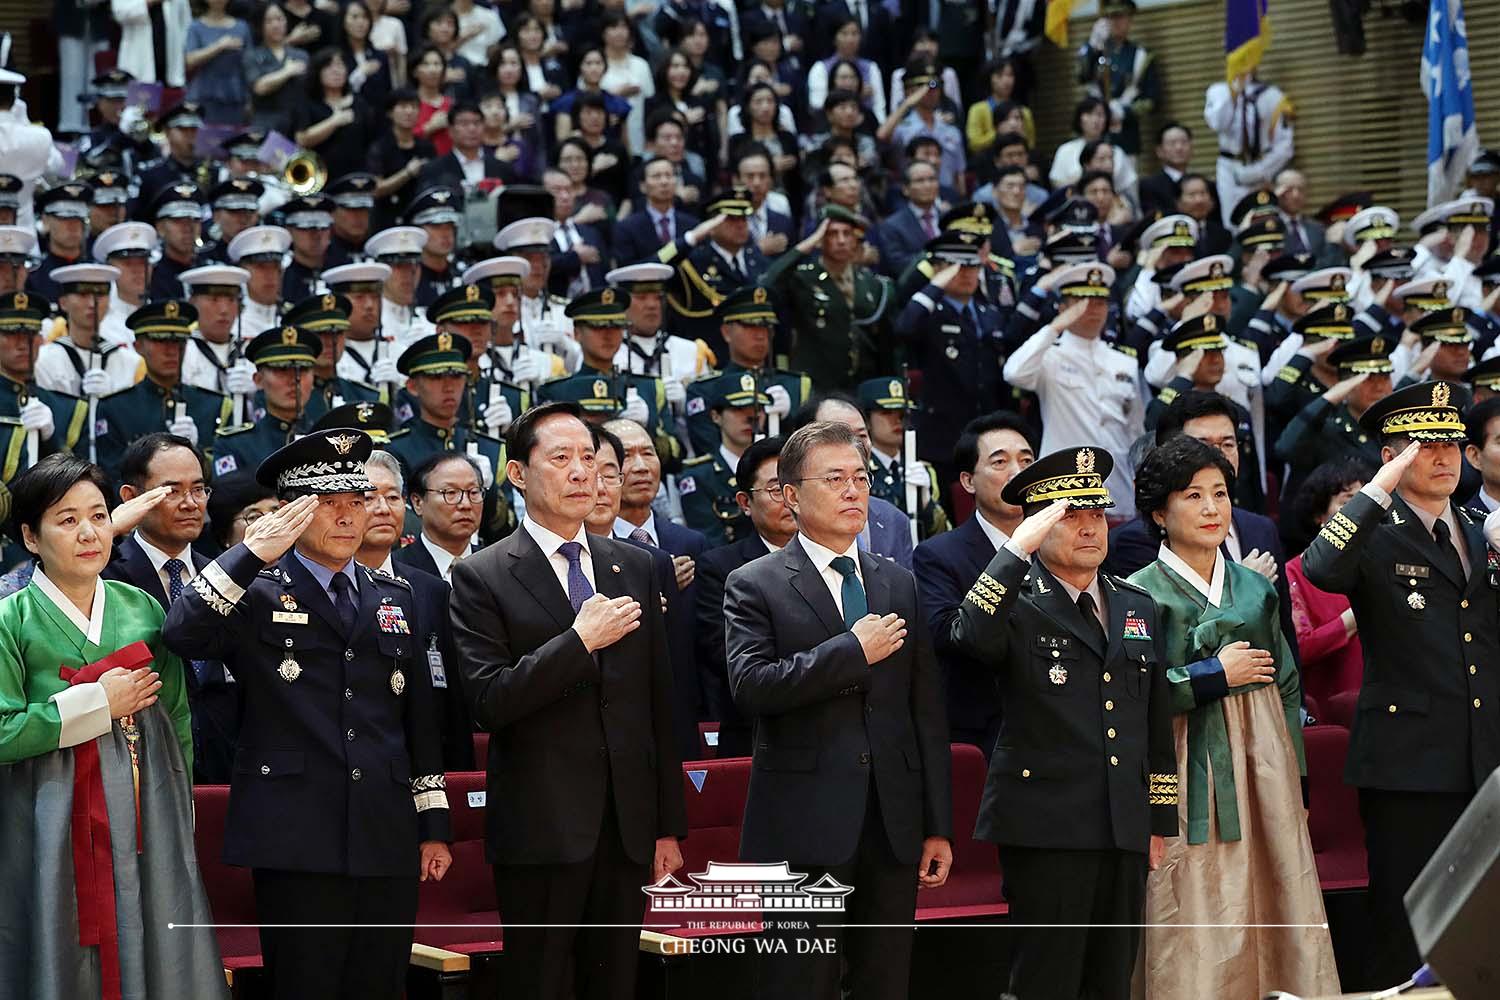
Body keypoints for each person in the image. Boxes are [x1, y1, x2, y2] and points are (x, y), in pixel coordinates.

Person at [164, 428, 451, 999]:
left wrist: (433, 826)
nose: (346, 517)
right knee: (306, 984)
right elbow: (183, 631)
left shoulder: (396, 596)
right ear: (293, 514)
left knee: (380, 983)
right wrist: (251, 552)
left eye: (356, 502)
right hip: (295, 829)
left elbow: (418, 720)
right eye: (326, 505)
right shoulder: (258, 590)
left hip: (384, 827)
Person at [449, 400, 687, 1000]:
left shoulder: (636, 565)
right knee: (541, 982)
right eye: (561, 458)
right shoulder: (484, 574)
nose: (583, 472)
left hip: (628, 825)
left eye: (590, 458)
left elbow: (660, 704)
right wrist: (579, 642)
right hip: (542, 824)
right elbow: (488, 699)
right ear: (518, 474)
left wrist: (666, 825)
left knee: (615, 982)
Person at [723, 418, 951, 1000]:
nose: (854, 491)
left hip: (892, 820)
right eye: (835, 479)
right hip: (801, 821)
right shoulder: (755, 583)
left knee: (884, 980)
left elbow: (924, 709)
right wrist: (852, 650)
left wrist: (936, 825)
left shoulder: (898, 581)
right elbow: (751, 686)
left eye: (861, 478)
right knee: (797, 984)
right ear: (792, 495)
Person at [951, 444, 1177, 1000]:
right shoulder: (1017, 599)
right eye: (1069, 515)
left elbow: (1153, 718)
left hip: (1123, 820)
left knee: (1112, 977)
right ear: (1036, 524)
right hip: (1047, 824)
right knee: (1047, 978)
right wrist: (1015, 552)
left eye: (1096, 513)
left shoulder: (1136, 604)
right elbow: (969, 637)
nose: (1088, 528)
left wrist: (1160, 818)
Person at [0, 454, 229, 999]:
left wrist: (183, 800)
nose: (88, 533)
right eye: (67, 519)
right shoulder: (11, 619)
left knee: (154, 932)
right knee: (59, 934)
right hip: (46, 812)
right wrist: (95, 704)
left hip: (146, 802)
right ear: (31, 538)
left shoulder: (143, 607)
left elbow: (175, 718)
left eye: (99, 516)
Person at [1302, 380, 1500, 987]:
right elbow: (1320, 567)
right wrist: (1375, 492)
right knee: (1409, 922)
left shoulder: (1477, 528)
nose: (1442, 457)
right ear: (1391, 458)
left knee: (1485, 921)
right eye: (1422, 446)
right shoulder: (1372, 533)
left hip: (1484, 755)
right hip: (1409, 762)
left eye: (1451, 443)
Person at [1128, 434, 1338, 998]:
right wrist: (1214, 675)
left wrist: (1294, 772)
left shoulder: (1255, 588)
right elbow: (1135, 697)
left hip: (1262, 756)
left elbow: (1289, 684)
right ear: (1158, 512)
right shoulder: (1138, 594)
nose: (1211, 508)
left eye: (1219, 494)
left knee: (1277, 886)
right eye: (1192, 496)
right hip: (1184, 759)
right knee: (1192, 892)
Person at [100, 433, 238, 783]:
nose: (190, 503)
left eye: (199, 489)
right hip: (140, 757)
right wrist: (107, 531)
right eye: (171, 491)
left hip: (227, 757)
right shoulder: (104, 573)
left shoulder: (225, 573)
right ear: (132, 498)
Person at [912, 411, 1035, 753]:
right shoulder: (938, 555)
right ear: (968, 481)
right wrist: (1016, 555)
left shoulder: (1062, 545)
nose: (1017, 473)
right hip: (985, 734)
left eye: (1026, 460)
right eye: (1000, 462)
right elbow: (949, 635)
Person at [355, 445, 474, 772]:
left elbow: (452, 701)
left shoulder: (432, 590)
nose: (383, 509)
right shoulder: (333, 588)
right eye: (368, 498)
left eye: (393, 498)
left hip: (426, 764)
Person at [1005, 262, 1143, 520]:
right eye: (1082, 301)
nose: (1093, 309)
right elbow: (1014, 372)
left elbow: (1135, 428)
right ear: (1063, 307)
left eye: (1100, 302)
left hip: (1118, 488)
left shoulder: (1124, 360)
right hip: (1065, 488)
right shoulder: (1050, 355)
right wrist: (1055, 327)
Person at [693, 435, 792, 758]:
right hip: (757, 735)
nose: (789, 499)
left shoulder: (837, 559)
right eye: (777, 490)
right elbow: (724, 652)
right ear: (745, 502)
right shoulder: (719, 567)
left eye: (796, 485)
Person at [94, 300, 234, 485]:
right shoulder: (115, 408)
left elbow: (228, 478)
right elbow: (112, 479)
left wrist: (197, 451)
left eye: (178, 341)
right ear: (138, 346)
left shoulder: (215, 405)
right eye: (160, 340)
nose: (172, 350)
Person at [764, 205, 893, 391]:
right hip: (819, 383)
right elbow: (768, 285)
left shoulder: (870, 282)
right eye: (832, 234)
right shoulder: (803, 278)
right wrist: (805, 246)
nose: (841, 241)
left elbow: (883, 341)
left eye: (847, 234)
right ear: (820, 240)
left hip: (860, 384)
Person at [1284, 457, 1372, 705]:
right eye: (1348, 502)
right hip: (1331, 703)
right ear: (1319, 515)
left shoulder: (1384, 560)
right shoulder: (1296, 572)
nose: (1360, 511)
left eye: (1365, 501)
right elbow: (1299, 647)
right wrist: (1352, 618)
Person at [211, 325, 321, 478]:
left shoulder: (329, 439)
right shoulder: (236, 444)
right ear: (258, 380)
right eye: (281, 371)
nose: (294, 380)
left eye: (302, 370)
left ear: (313, 378)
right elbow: (226, 495)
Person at [1204, 72, 1295, 228]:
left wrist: (1260, 170)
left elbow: (1285, 145)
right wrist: (1233, 94)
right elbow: (1217, 123)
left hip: (1262, 167)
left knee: (1265, 220)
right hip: (1229, 167)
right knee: (1231, 223)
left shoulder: (1272, 95)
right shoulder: (1219, 92)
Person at [394, 451, 482, 582]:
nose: (465, 504)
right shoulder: (395, 569)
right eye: (450, 492)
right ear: (418, 503)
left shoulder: (497, 566)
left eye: (473, 492)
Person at [244, 2, 310, 135]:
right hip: (265, 124)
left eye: (280, 19)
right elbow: (260, 87)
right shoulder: (253, 55)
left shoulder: (300, 55)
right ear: (260, 25)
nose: (275, 25)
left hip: (298, 126)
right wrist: (287, 71)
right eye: (269, 21)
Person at [185, 0, 253, 124]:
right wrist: (219, 46)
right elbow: (190, 60)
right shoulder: (196, 27)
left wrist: (250, 99)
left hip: (235, 94)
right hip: (204, 94)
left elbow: (249, 65)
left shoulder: (242, 27)